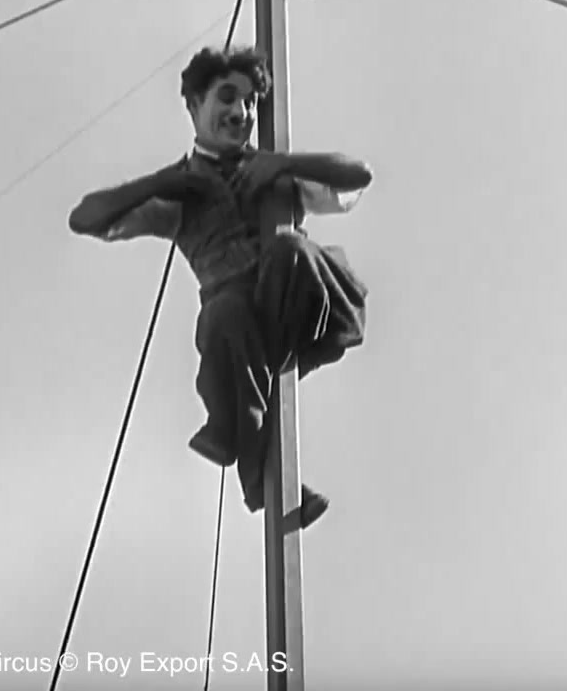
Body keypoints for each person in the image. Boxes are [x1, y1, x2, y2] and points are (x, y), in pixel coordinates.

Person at [69, 46, 371, 528]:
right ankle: (262, 474)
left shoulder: (277, 172)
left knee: (288, 249)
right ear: (194, 105)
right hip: (238, 331)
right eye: (227, 98)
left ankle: (230, 422)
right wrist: (158, 183)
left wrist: (283, 163)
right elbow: (85, 218)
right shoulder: (179, 190)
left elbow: (358, 175)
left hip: (304, 309)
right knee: (226, 313)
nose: (240, 113)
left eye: (250, 103)